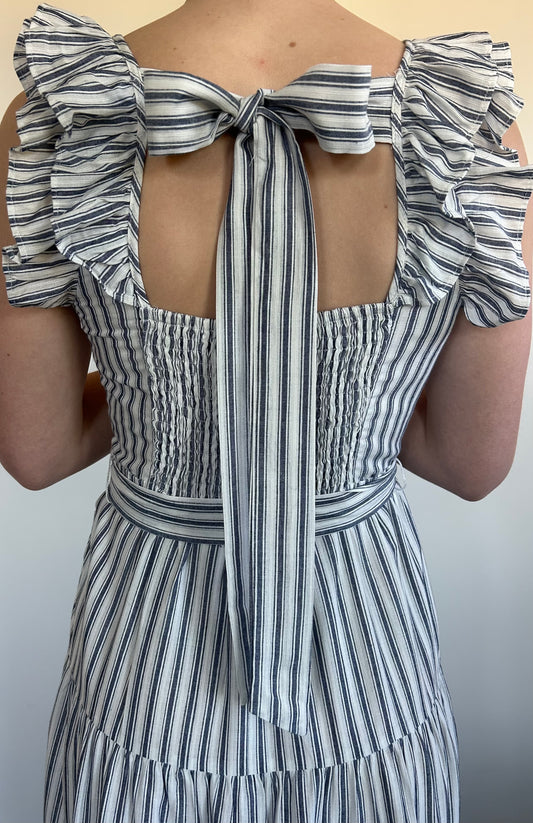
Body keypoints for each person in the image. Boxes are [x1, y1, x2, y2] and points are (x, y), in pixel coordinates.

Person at [1, 0, 532, 820]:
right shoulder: (461, 123)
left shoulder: (61, 116)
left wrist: (166, 389)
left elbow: (36, 450)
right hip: (368, 660)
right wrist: (329, 401)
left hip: (147, 663)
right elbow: (470, 462)